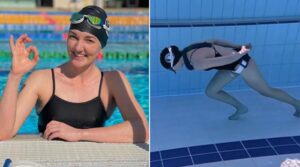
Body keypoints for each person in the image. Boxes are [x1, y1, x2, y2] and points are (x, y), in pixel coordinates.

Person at [0, 6, 149, 143]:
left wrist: (79, 134)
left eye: (89, 40)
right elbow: (3, 133)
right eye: (73, 37)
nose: (78, 47)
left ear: (101, 46)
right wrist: (15, 75)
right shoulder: (42, 80)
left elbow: (142, 131)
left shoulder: (112, 81)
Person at [160, 39, 300, 120]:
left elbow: (225, 59)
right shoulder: (189, 49)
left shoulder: (195, 63)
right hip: (231, 66)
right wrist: (237, 46)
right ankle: (241, 108)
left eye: (172, 69)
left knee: (265, 91)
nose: (175, 70)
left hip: (242, 64)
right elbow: (214, 40)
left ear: (174, 63)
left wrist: (240, 52)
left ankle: (297, 104)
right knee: (211, 91)